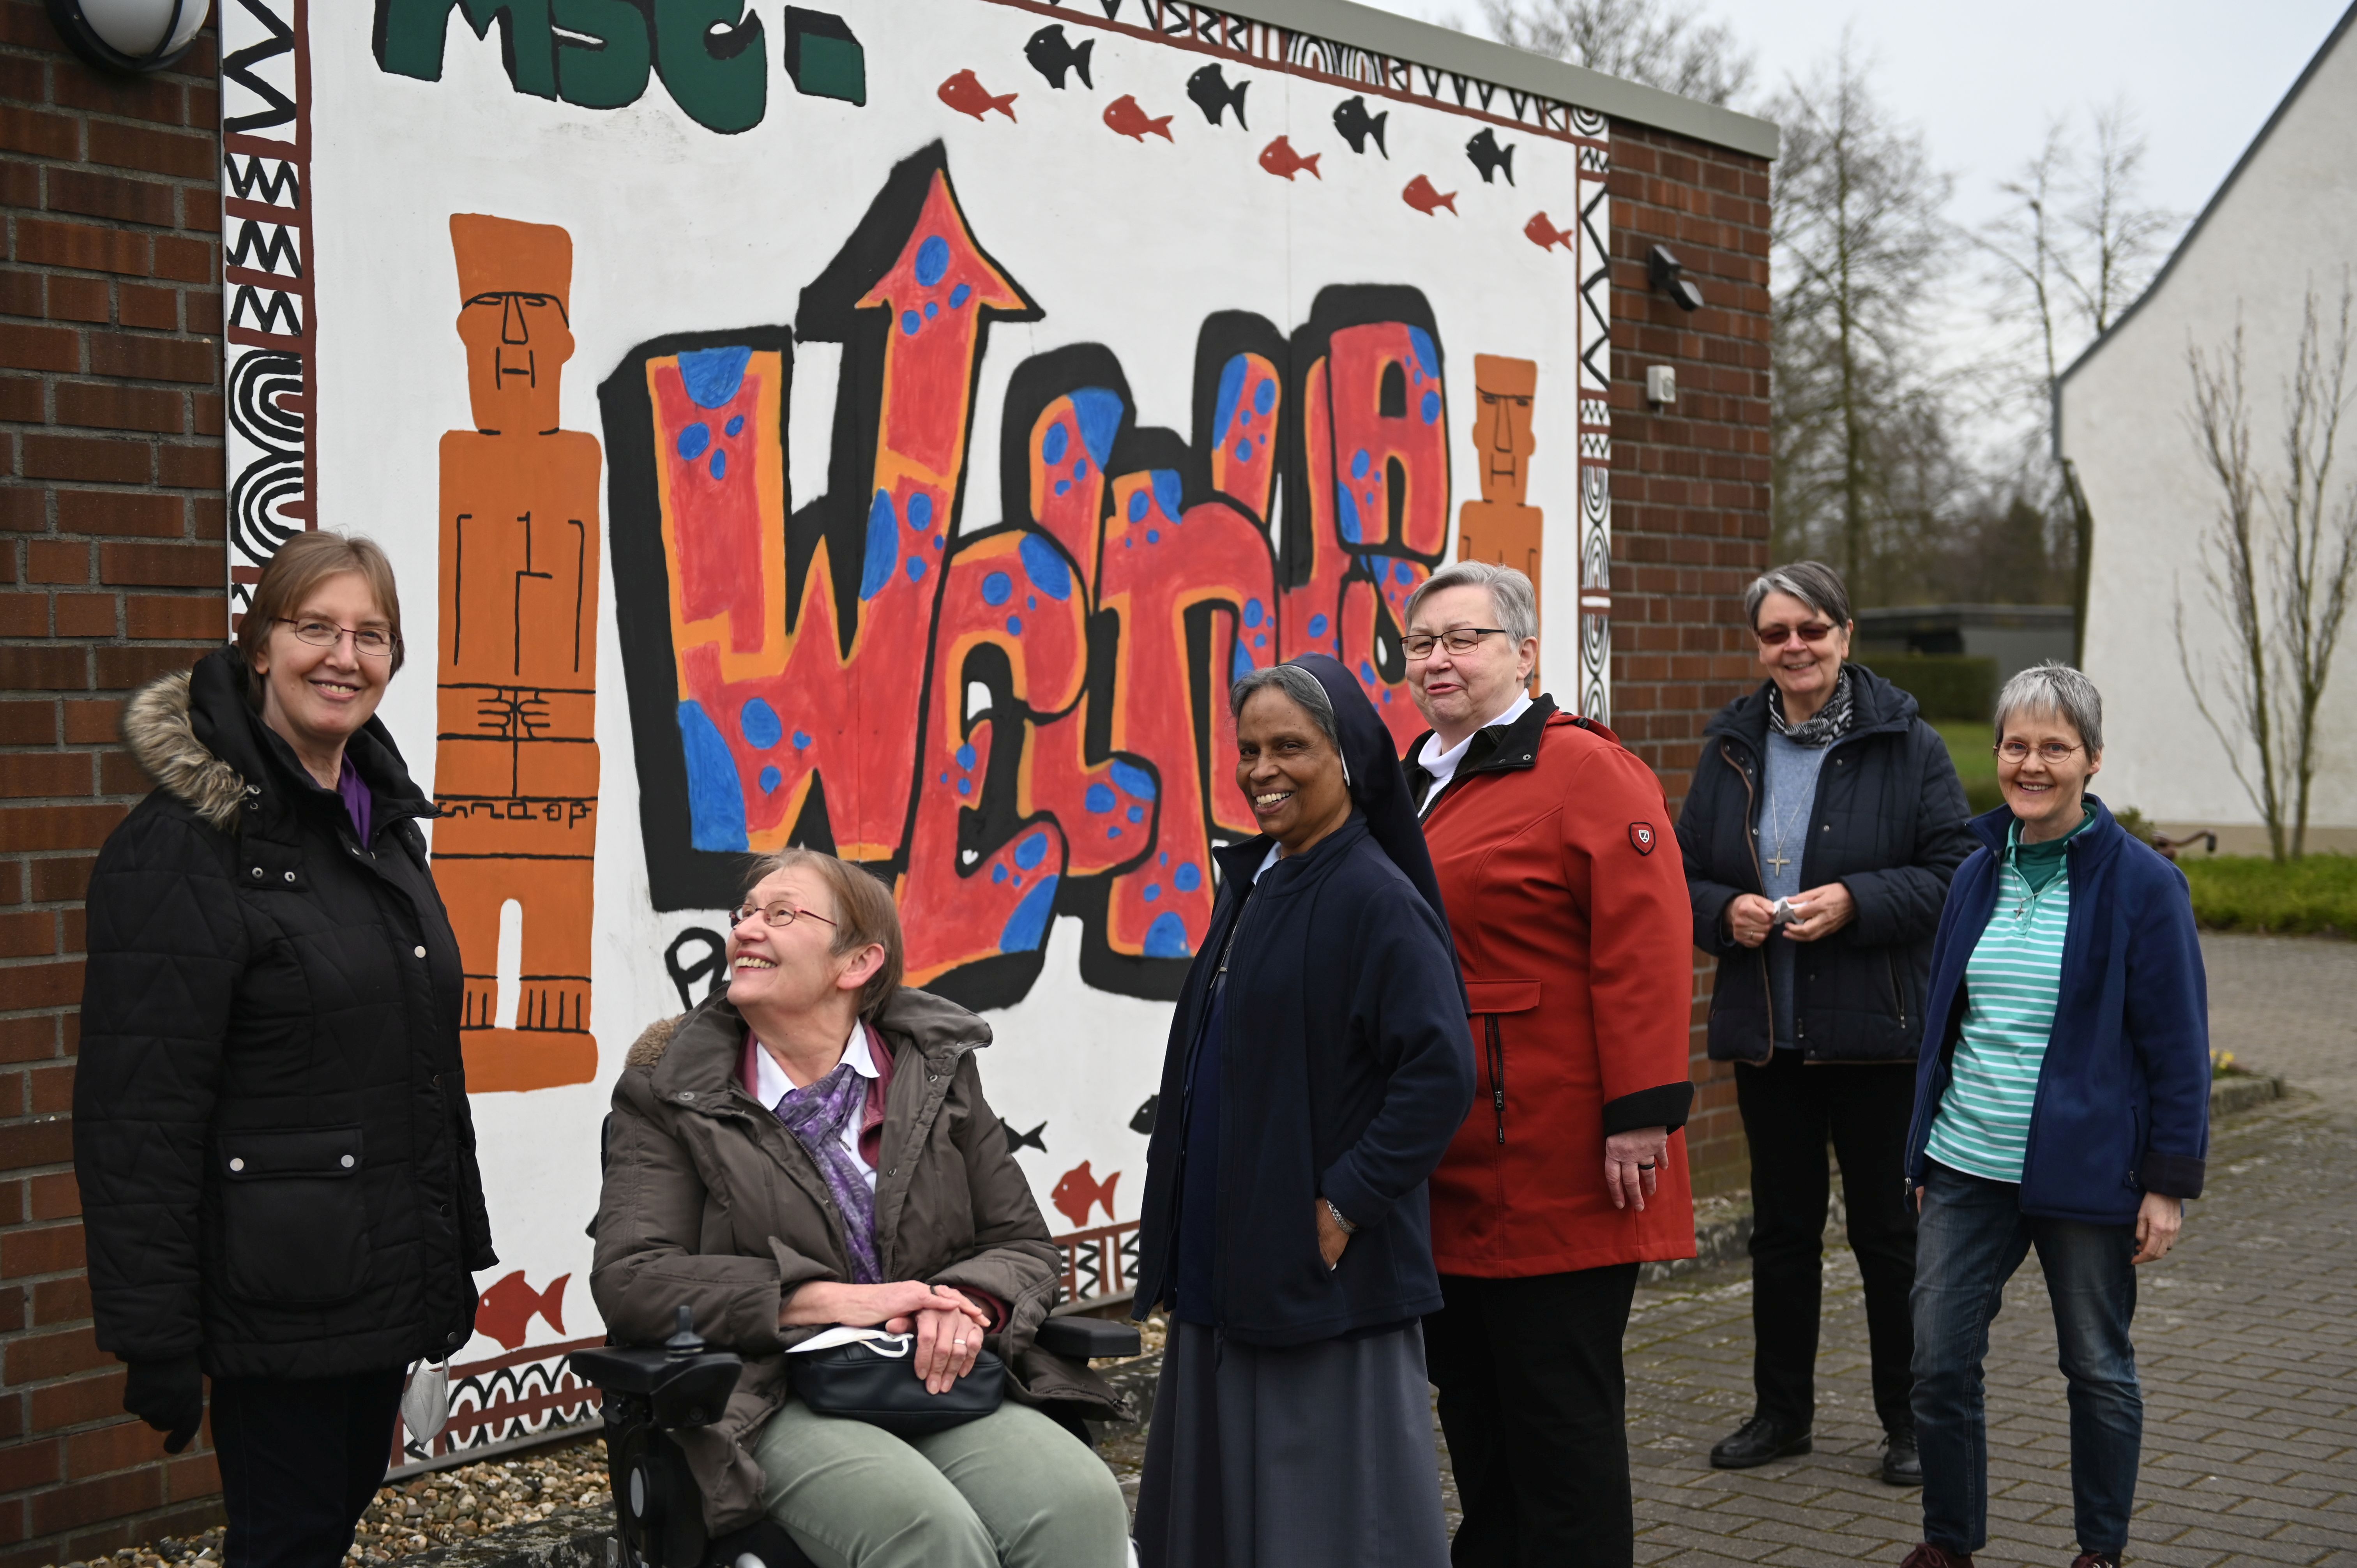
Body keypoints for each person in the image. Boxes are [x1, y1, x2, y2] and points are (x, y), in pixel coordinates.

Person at [74, 531, 498, 1567]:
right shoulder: (187, 843)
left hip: (373, 1285)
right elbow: (139, 1111)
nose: (342, 657)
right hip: (275, 1299)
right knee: (288, 1544)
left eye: (370, 635)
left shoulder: (377, 820)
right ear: (259, 646)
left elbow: (409, 1065)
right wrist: (156, 1330)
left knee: (323, 1531)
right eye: (315, 627)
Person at [590, 848, 1131, 1568]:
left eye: (781, 915)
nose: (748, 930)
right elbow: (633, 1281)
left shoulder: (935, 1071)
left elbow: (1022, 1246)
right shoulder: (670, 1093)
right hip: (771, 1391)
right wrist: (821, 1302)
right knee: (929, 1533)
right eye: (746, 914)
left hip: (933, 1374)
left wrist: (958, 1304)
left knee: (1081, 1504)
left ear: (857, 963)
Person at [1131, 654, 1476, 1568]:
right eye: (1249, 750)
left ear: (1349, 757)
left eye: (1291, 746)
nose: (1261, 770)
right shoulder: (1259, 880)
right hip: (1230, 1259)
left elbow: (1440, 1072)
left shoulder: (1376, 897)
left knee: (1326, 1521)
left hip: (1325, 1272)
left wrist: (1346, 1202)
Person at [1401, 561, 1698, 1568]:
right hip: (1454, 1172)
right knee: (1479, 1428)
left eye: (1464, 638)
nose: (1439, 659)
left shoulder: (1585, 772)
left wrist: (1644, 1112)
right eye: (1421, 642)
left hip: (1563, 1169)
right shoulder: (1417, 783)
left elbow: (1648, 945)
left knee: (1560, 1442)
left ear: (1525, 652)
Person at [1899, 664, 2207, 1568]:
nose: (2033, 763)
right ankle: (1950, 1542)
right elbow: (1946, 1027)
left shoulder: (2145, 885)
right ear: (1996, 753)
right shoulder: (1974, 870)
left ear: (2093, 758)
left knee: (2098, 1369)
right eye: (2017, 745)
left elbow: (2178, 1047)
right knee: (1939, 1363)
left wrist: (2168, 1184)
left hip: (2087, 1172)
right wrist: (1922, 1154)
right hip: (1967, 1162)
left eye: (2055, 746)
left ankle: (2099, 1550)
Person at [1677, 562, 1971, 1485]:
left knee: (1888, 1233)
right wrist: (1727, 912)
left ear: (1846, 633)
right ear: (1758, 646)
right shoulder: (1731, 744)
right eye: (1775, 634)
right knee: (1782, 1231)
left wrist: (1856, 898)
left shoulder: (1907, 742)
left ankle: (1911, 1422)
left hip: (1879, 1035)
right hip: (1771, 1030)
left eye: (1810, 628)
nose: (1793, 647)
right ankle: (1782, 1413)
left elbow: (1956, 870)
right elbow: (1679, 881)